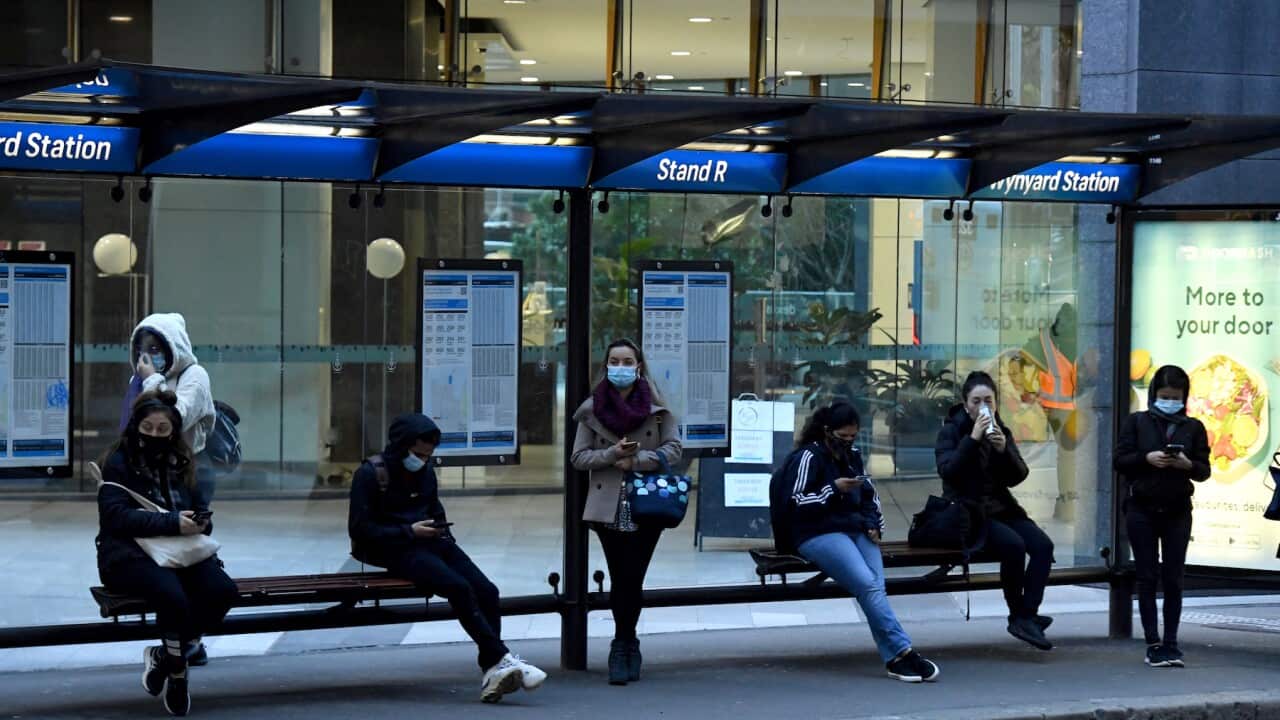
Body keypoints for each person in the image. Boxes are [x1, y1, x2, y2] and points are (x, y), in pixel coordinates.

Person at [348, 414, 546, 703]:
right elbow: (359, 528)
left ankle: (494, 668)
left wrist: (441, 532)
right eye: (417, 454)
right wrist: (408, 530)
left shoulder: (425, 472)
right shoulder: (369, 474)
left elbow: (434, 509)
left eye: (428, 455)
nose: (422, 460)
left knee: (487, 591)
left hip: (429, 539)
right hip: (392, 546)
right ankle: (499, 660)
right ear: (401, 446)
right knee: (458, 587)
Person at [771, 402, 940, 683]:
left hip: (854, 528)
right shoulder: (808, 457)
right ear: (827, 431)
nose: (848, 442)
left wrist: (873, 523)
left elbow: (869, 493)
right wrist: (832, 489)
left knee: (874, 585)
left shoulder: (853, 455)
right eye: (843, 436)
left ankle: (895, 660)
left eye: (853, 436)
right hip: (817, 532)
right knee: (867, 583)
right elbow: (795, 501)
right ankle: (904, 651)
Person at [96, 391, 236, 717]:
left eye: (163, 430)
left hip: (179, 551)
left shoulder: (183, 462)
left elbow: (200, 510)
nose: (155, 436)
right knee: (172, 597)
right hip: (128, 554)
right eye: (149, 428)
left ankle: (165, 655)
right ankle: (177, 675)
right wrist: (173, 522)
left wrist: (199, 522)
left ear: (173, 432)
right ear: (136, 426)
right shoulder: (118, 462)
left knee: (222, 592)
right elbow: (115, 517)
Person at [571, 338, 682, 686]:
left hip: (646, 503)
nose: (621, 367)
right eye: (614, 361)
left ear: (639, 366)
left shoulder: (658, 408)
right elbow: (578, 457)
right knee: (622, 576)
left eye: (627, 361)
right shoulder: (590, 410)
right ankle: (624, 644)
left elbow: (674, 449)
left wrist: (637, 460)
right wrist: (611, 455)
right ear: (606, 366)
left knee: (633, 577)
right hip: (607, 505)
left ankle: (625, 642)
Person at [935, 370, 1055, 651]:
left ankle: (1027, 614)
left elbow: (1019, 475)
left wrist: (1004, 451)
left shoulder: (1000, 429)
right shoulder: (952, 430)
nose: (982, 407)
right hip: (968, 513)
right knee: (1013, 546)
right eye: (976, 401)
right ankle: (1018, 614)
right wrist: (972, 440)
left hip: (1002, 508)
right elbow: (948, 471)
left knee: (1042, 546)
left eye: (988, 400)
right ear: (966, 404)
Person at [1113, 365, 1210, 668]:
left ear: (1185, 397)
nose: (1170, 401)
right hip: (1141, 508)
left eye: (1176, 397)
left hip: (1178, 510)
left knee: (1173, 578)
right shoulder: (1137, 422)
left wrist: (1186, 465)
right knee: (1146, 576)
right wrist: (1146, 458)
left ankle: (1171, 642)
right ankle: (1152, 642)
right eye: (1164, 396)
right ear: (1154, 393)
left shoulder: (1193, 427)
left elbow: (1204, 470)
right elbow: (1119, 459)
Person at [120, 313, 217, 506]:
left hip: (189, 468)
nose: (145, 357)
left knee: (192, 524)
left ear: (173, 348)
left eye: (154, 349)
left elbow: (177, 418)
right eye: (141, 349)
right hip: (151, 467)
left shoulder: (195, 376)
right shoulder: (141, 379)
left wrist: (151, 380)